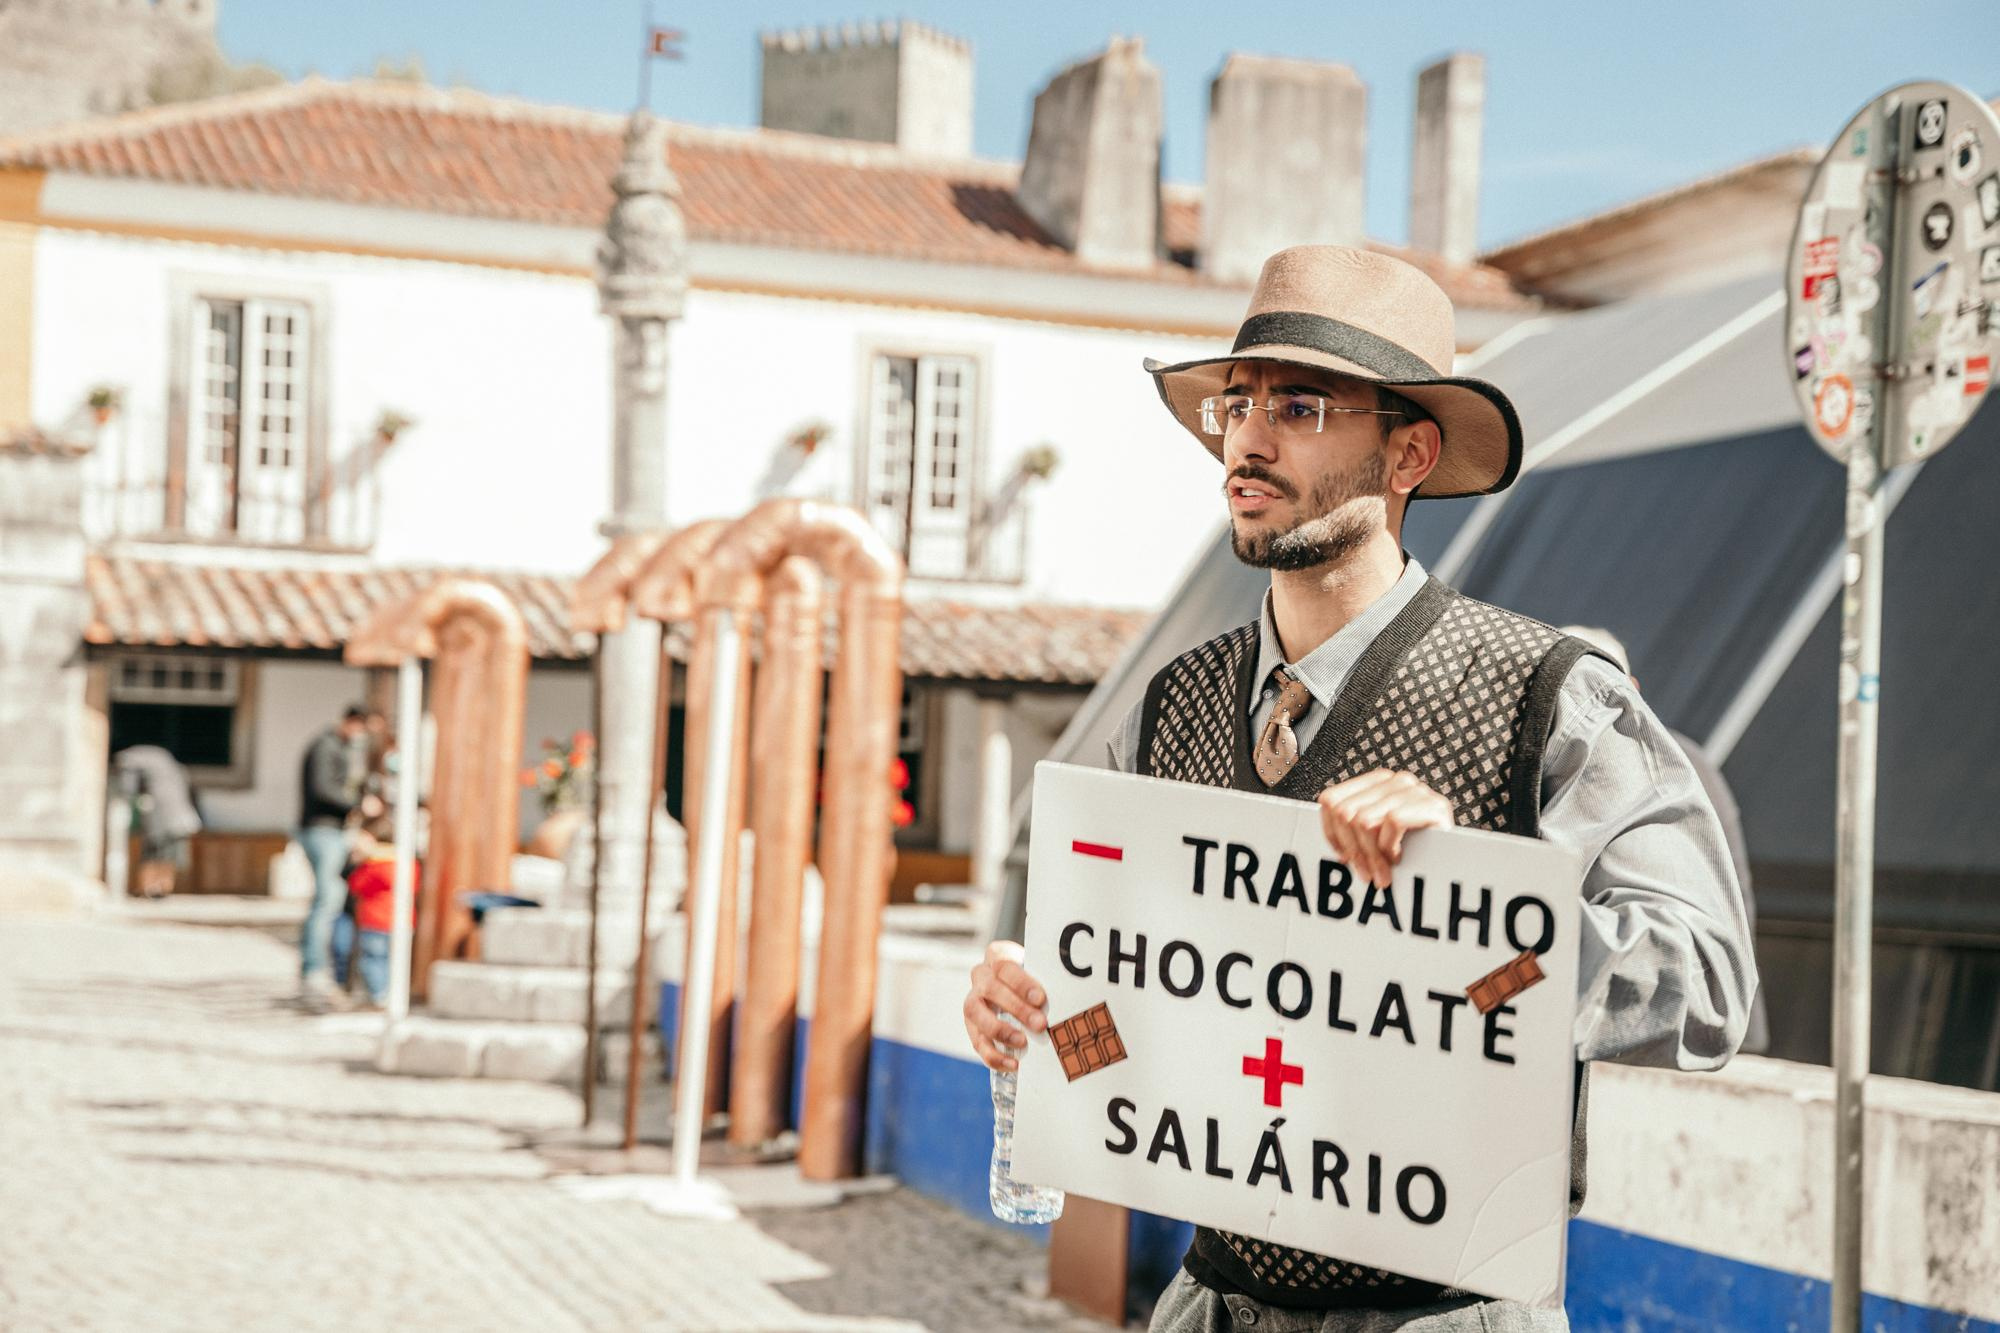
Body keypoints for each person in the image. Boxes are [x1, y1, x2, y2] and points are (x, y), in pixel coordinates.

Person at [961, 246, 1758, 1331]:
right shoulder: (1170, 709)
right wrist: (1033, 1012)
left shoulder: (1549, 695)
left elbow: (1703, 982)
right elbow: (1120, 1003)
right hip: (1211, 1304)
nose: (1246, 437)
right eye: (1234, 406)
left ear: (1408, 453)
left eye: (1298, 405)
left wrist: (1472, 909)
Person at [1559, 625, 1770, 1055]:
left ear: (1629, 688)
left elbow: (1716, 904)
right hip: (1649, 1012)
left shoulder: (1675, 765)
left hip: (1678, 1019)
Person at [297, 705, 372, 1011]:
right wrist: (356, 803)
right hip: (322, 830)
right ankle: (314, 969)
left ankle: (324, 970)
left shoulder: (333, 746)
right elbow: (322, 788)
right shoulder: (325, 746)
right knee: (327, 899)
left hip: (330, 830)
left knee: (333, 900)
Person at [331, 815, 419, 1010]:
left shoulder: (373, 865)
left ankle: (380, 995)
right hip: (403, 922)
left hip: (375, 922)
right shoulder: (406, 862)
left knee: (372, 961)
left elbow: (356, 884)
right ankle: (391, 993)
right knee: (393, 961)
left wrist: (357, 861)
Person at [111, 745, 201, 898]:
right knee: (167, 854)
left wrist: (126, 799)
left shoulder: (131, 760)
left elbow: (127, 789)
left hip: (161, 817)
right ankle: (160, 888)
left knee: (154, 853)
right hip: (178, 817)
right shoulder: (169, 765)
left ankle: (151, 888)